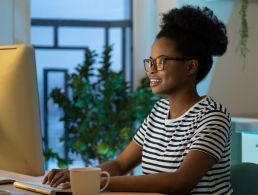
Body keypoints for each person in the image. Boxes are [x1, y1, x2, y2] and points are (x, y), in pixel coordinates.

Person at [43, 5, 233, 195]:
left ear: (190, 66)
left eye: (161, 62)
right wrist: (77, 175)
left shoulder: (213, 118)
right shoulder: (159, 112)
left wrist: (100, 183)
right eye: (150, 62)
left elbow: (180, 182)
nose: (151, 70)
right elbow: (120, 164)